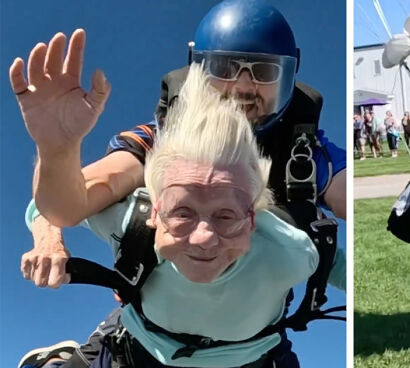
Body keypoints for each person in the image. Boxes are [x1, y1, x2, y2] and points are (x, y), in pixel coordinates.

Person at [11, 0, 346, 365]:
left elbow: (359, 207)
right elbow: (66, 203)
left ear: (289, 76)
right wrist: (57, 151)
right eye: (226, 67)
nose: (243, 86)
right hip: (146, 337)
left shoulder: (308, 157)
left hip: (253, 348)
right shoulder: (161, 146)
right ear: (197, 71)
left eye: (264, 71)